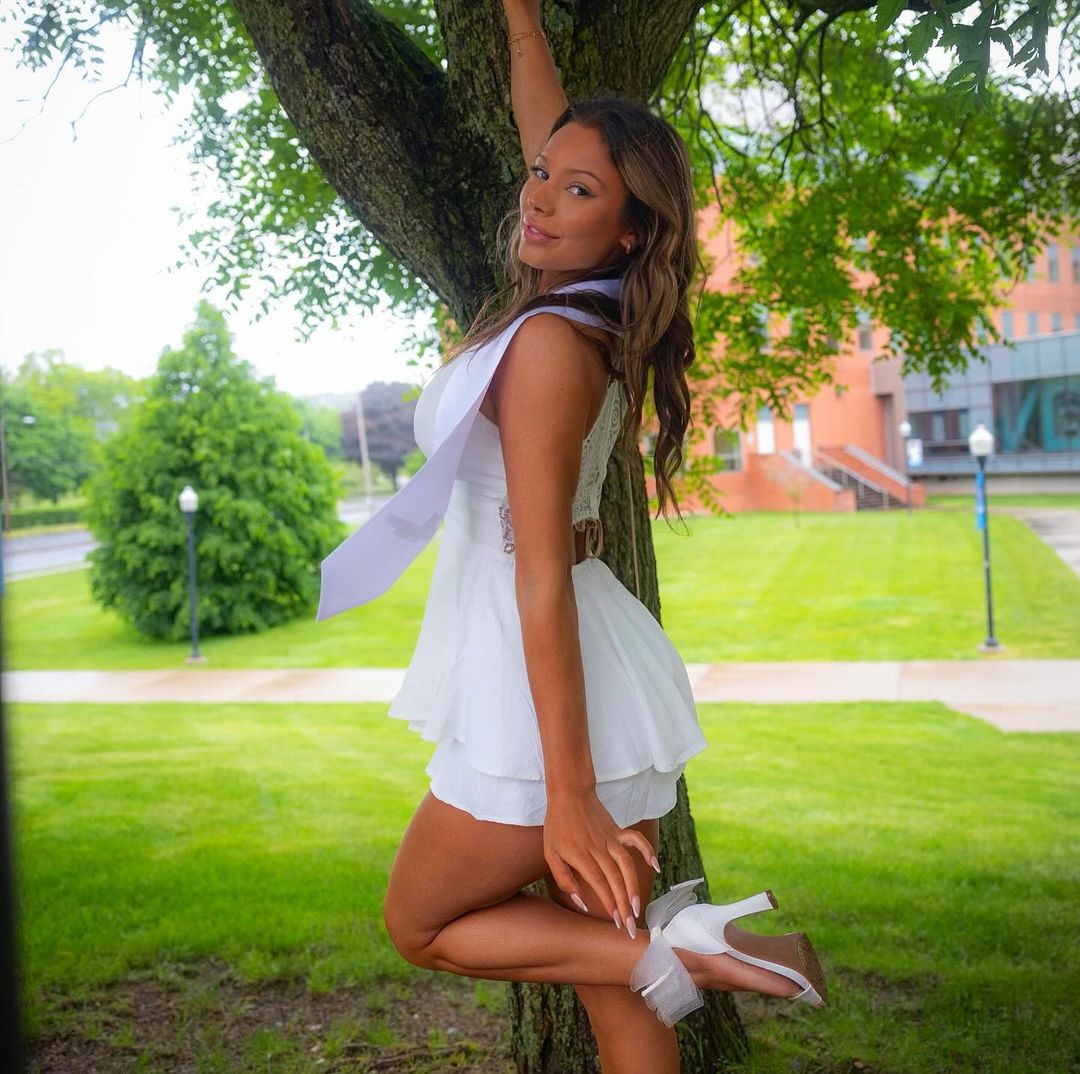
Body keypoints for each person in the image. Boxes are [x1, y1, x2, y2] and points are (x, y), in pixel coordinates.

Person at [321, 2, 828, 1068]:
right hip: (584, 670)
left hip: (540, 689)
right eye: (541, 175)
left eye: (579, 190)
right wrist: (519, 16)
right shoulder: (583, 311)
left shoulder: (553, 344)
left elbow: (541, 574)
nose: (542, 195)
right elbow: (553, 135)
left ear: (630, 228)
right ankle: (673, 949)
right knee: (613, 988)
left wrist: (569, 797)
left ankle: (693, 947)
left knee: (423, 925)